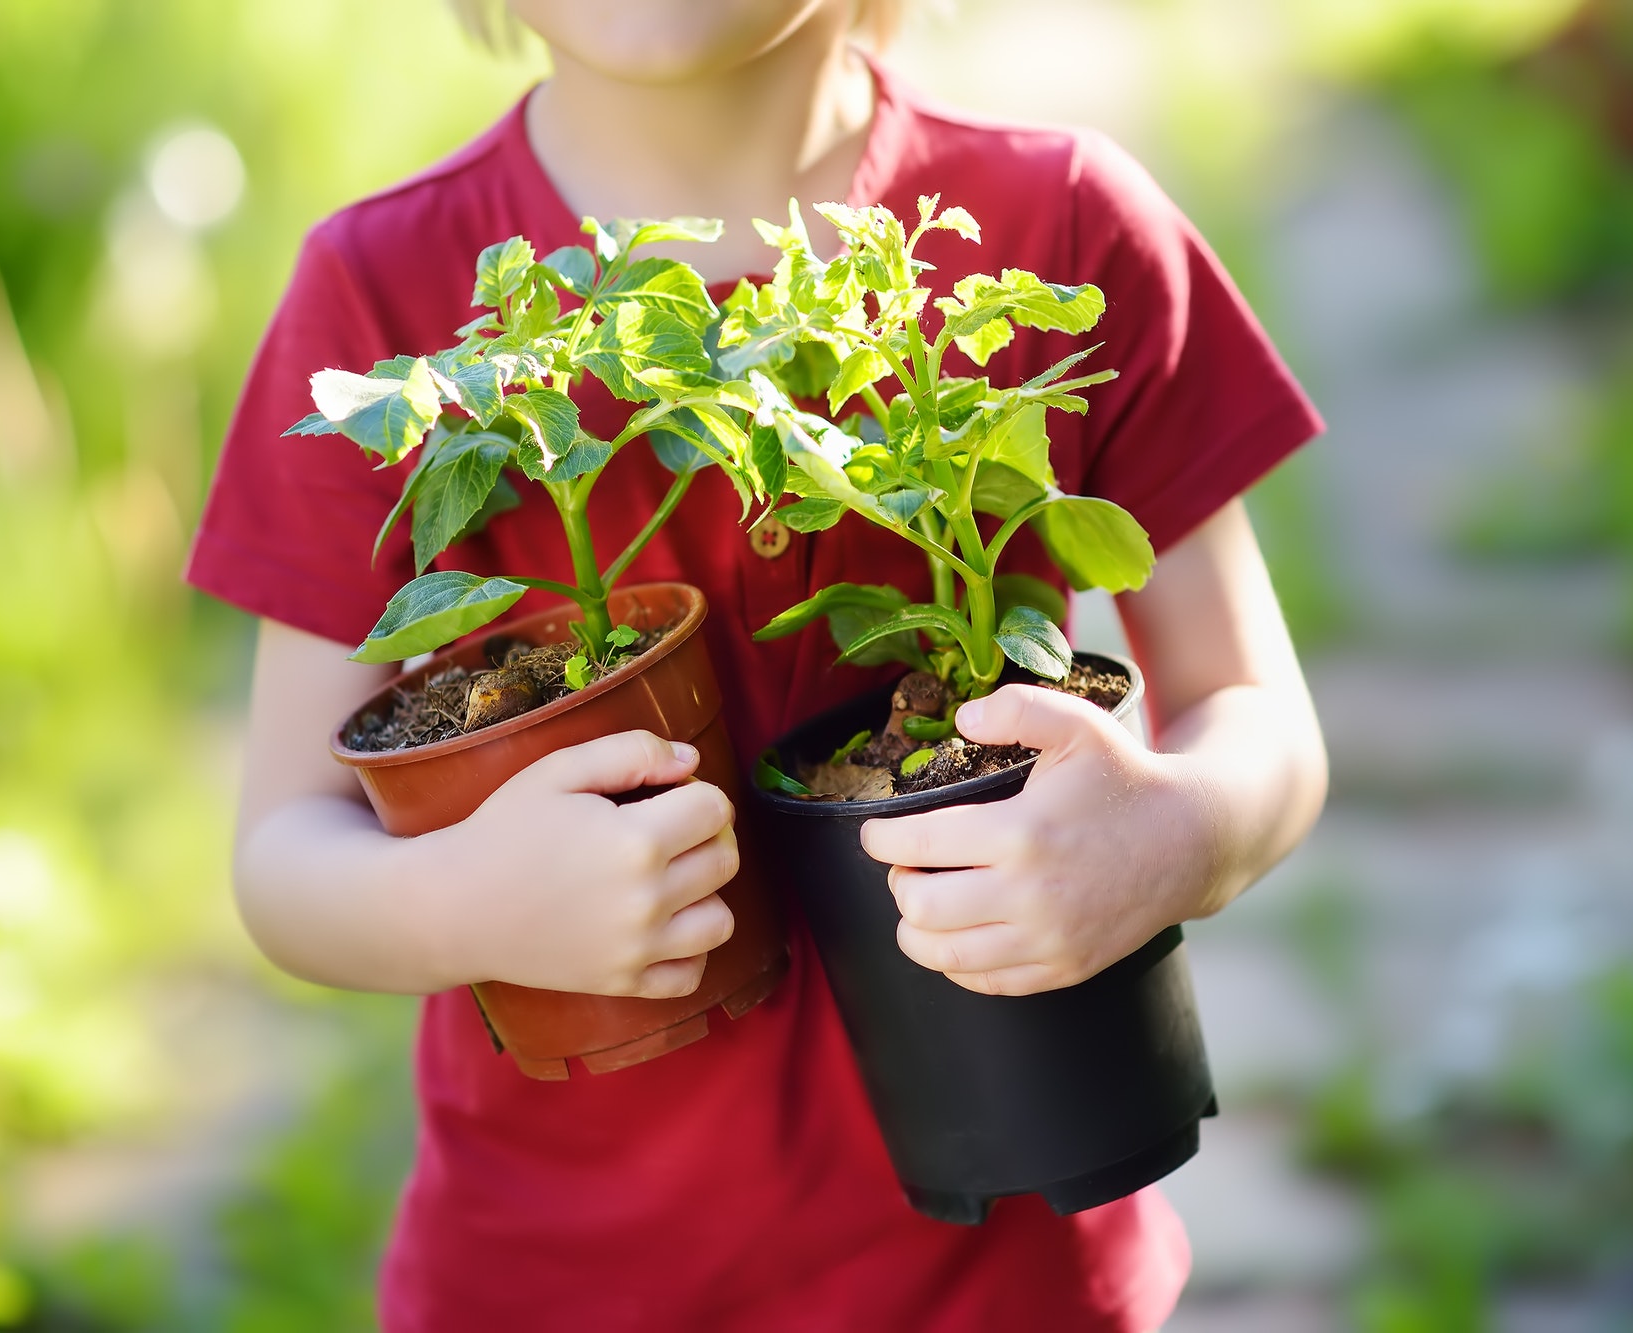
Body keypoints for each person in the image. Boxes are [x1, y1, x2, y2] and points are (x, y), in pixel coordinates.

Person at [185, 0, 1330, 1327]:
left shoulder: (1057, 218)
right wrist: (463, 899)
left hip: (1009, 1263)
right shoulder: (381, 294)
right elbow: (285, 853)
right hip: (552, 1280)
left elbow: (1260, 718)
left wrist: (1169, 832)